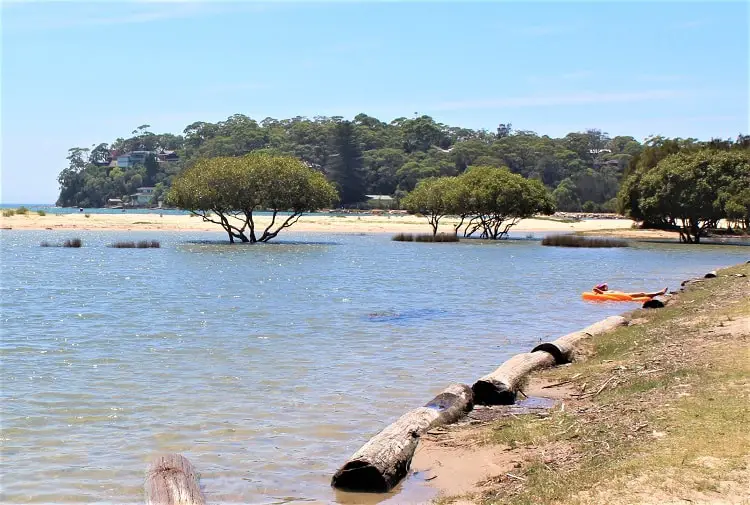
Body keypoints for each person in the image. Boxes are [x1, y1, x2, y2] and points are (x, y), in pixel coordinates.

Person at [593, 283, 668, 298]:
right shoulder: (603, 292)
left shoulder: (604, 291)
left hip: (625, 294)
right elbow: (595, 289)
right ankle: (660, 292)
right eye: (604, 286)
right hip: (626, 296)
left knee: (642, 293)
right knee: (642, 293)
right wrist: (597, 289)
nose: (606, 287)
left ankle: (658, 293)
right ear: (601, 288)